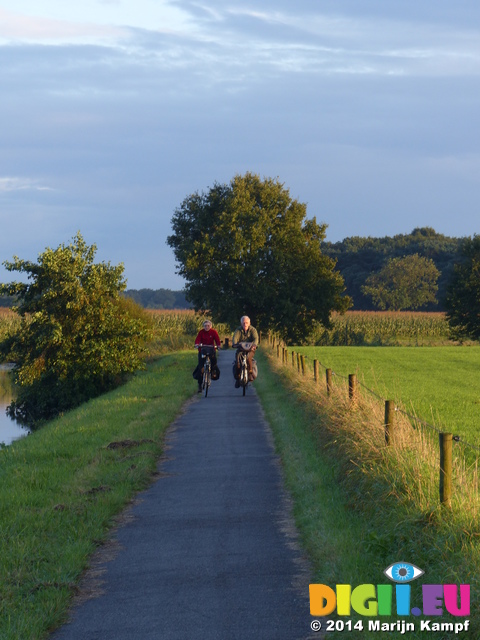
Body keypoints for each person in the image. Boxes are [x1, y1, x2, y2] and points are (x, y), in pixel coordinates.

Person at [194, 319, 221, 392]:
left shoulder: (213, 332)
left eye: (208, 326)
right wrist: (197, 344)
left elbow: (217, 340)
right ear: (203, 326)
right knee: (200, 368)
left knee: (214, 362)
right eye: (205, 326)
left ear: (211, 326)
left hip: (211, 349)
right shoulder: (201, 332)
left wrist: (218, 345)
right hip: (203, 350)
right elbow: (197, 339)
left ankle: (213, 372)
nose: (207, 327)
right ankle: (199, 385)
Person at [232, 315, 259, 387]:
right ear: (241, 323)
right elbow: (235, 338)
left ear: (249, 323)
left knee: (248, 358)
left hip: (250, 349)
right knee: (237, 362)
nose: (245, 324)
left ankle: (250, 374)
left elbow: (256, 338)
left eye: (246, 323)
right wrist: (235, 344)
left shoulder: (253, 330)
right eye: (243, 323)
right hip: (240, 349)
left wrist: (254, 345)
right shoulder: (238, 330)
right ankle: (237, 378)